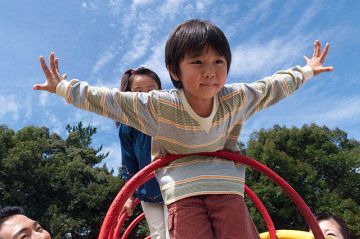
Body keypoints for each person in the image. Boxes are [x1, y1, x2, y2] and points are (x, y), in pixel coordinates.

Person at [33, 19, 333, 239]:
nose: (210, 71)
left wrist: (306, 70)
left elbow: (272, 87)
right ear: (175, 71)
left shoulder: (236, 98)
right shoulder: (160, 106)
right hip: (182, 191)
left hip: (225, 186)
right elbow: (109, 100)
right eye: (197, 61)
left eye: (219, 61)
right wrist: (63, 87)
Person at [117, 67, 168, 239]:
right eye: (138, 91)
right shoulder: (128, 125)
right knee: (158, 234)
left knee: (175, 230)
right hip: (148, 190)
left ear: (161, 91)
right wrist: (129, 196)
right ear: (129, 95)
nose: (145, 95)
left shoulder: (169, 114)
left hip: (175, 183)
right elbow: (129, 162)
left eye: (151, 90)